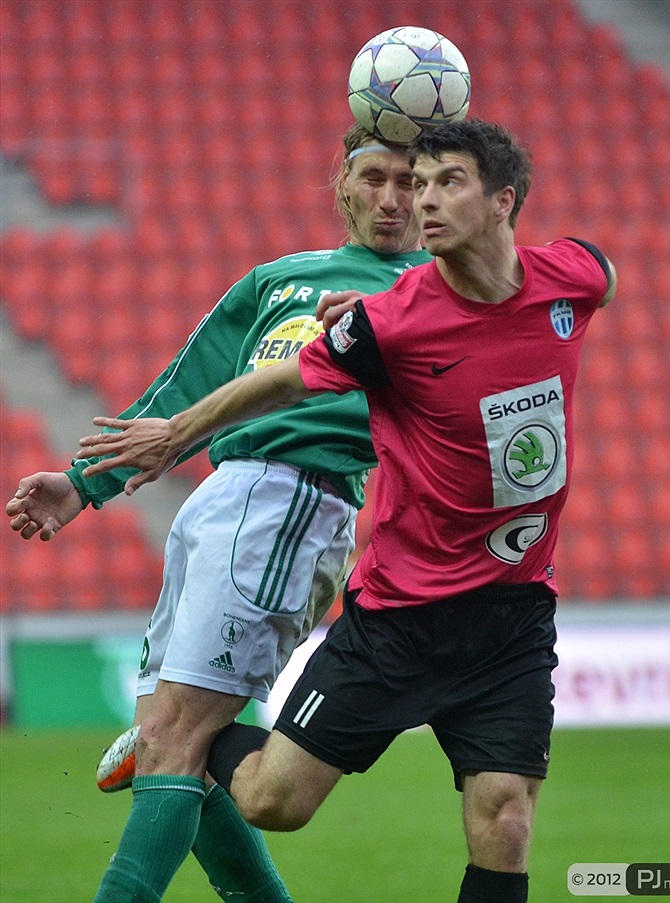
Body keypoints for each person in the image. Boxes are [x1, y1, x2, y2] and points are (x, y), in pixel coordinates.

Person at [72, 118, 617, 903]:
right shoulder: (391, 319)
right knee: (272, 801)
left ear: (504, 201)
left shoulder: (574, 276)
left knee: (505, 819)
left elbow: (602, 271)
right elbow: (283, 380)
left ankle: (176, 735)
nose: (424, 200)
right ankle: (189, 735)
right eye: (416, 183)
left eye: (445, 182)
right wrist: (181, 433)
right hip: (400, 615)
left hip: (513, 617)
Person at [5, 122, 431, 903]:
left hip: (298, 499)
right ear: (342, 180)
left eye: (411, 182)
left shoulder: (431, 292)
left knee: (173, 743)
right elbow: (186, 387)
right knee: (173, 754)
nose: (393, 198)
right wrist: (81, 483)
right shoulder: (277, 279)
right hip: (217, 498)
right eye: (376, 178)